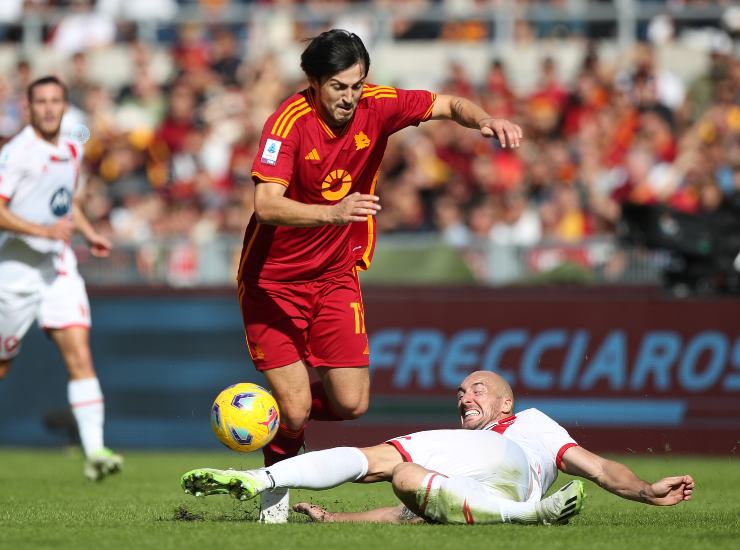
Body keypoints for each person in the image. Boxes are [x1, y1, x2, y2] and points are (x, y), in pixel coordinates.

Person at [237, 28, 523, 523]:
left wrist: (485, 119)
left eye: (357, 85)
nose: (350, 97)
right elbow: (265, 206)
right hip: (273, 282)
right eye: (338, 87)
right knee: (299, 410)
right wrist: (331, 213)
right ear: (313, 82)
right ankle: (274, 496)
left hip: (333, 274)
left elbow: (447, 103)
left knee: (351, 403)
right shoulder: (287, 123)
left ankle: (282, 410)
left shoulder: (378, 104)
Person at [181, 371, 695, 525]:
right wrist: (338, 523)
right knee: (408, 484)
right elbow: (409, 517)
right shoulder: (462, 448)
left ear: (506, 400)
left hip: (510, 465)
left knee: (384, 458)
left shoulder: (529, 424)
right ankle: (526, 514)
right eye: (459, 392)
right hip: (490, 492)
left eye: (477, 389)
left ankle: (262, 479)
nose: (464, 397)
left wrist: (648, 491)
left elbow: (598, 468)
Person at [0, 76, 122, 481]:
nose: (50, 108)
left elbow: (65, 201)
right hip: (14, 269)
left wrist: (88, 233)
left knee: (80, 354)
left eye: (56, 101)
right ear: (29, 107)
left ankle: (95, 451)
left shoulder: (72, 148)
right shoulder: (17, 153)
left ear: (65, 106)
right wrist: (42, 231)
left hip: (57, 266)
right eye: (42, 102)